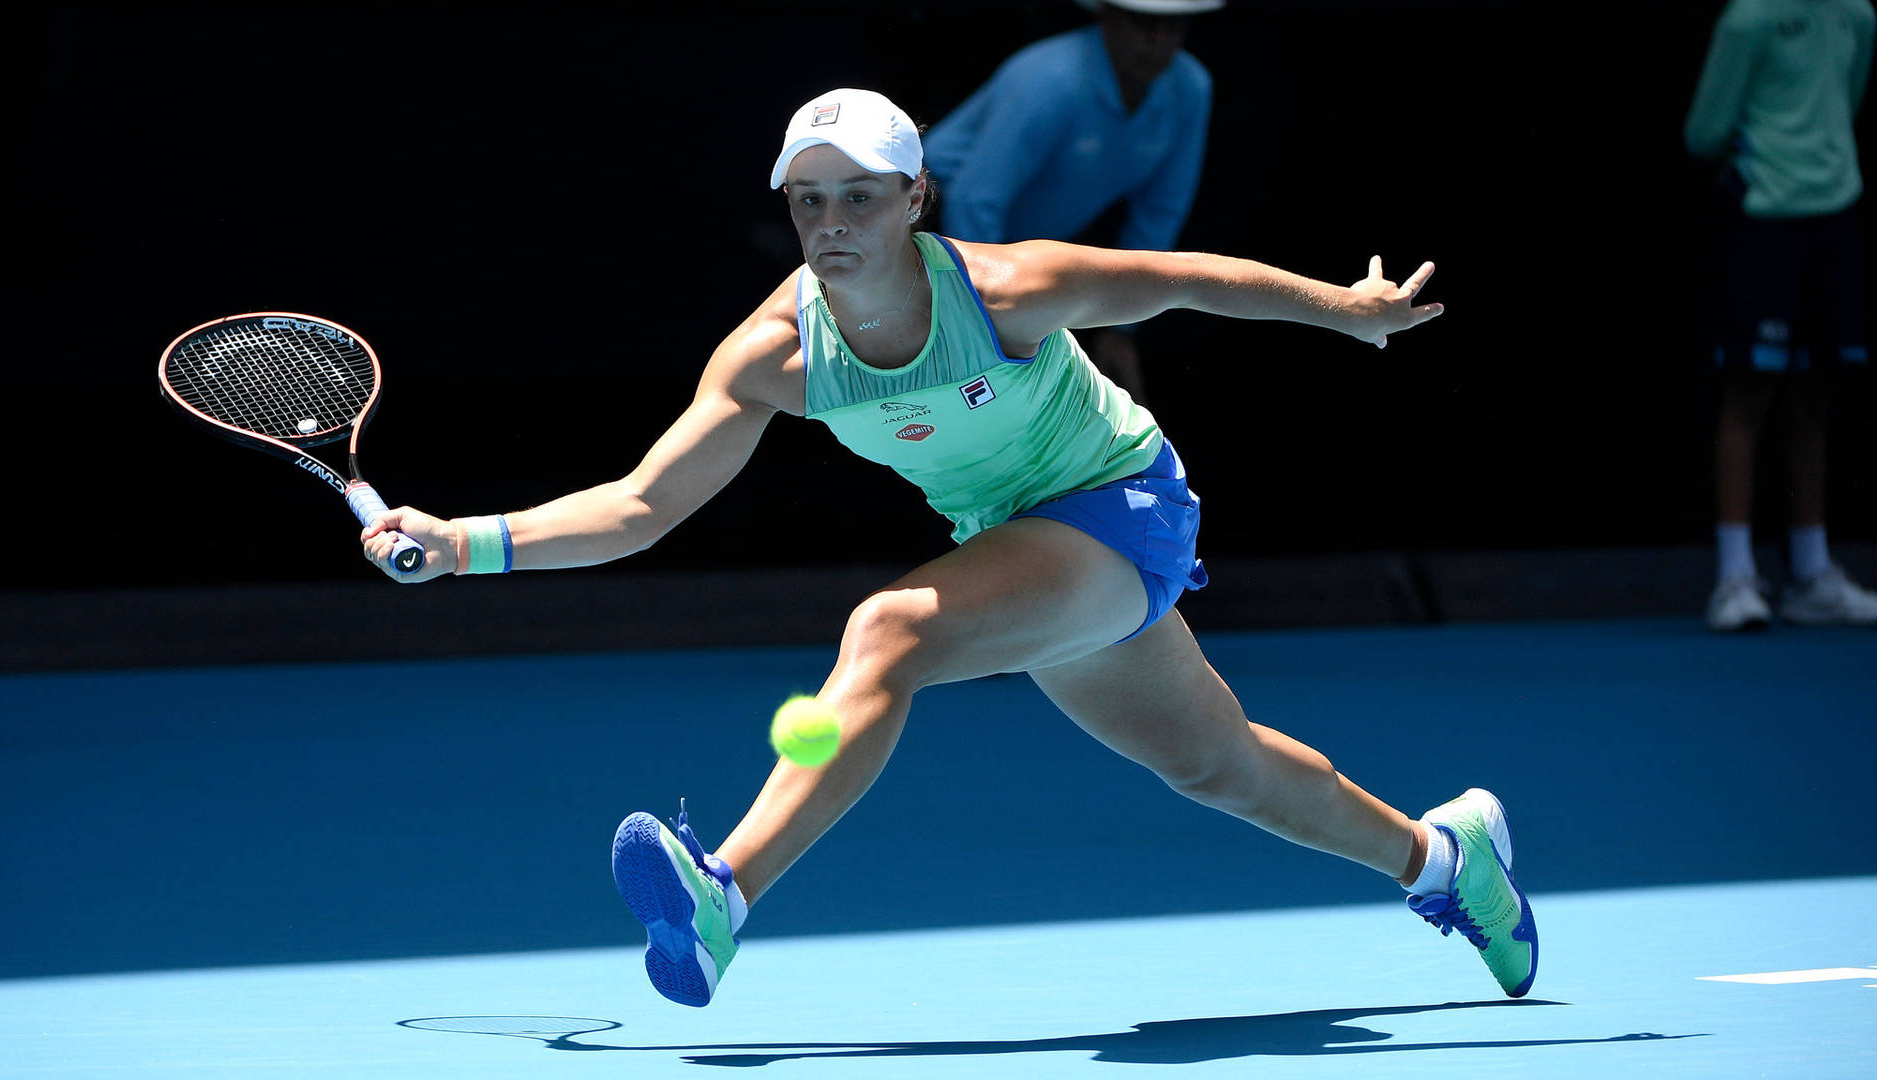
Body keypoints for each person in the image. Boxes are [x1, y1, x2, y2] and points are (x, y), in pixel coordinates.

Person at [361, 88, 1536, 1007]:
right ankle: (1447, 860)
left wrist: (1349, 309)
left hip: (1122, 502)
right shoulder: (774, 355)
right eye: (808, 201)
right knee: (1217, 765)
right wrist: (467, 545)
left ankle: (725, 892)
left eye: (859, 197)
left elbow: (1183, 285)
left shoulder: (1010, 288)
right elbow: (642, 505)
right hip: (1015, 544)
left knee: (887, 630)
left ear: (916, 199)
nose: (832, 224)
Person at [1685, 0, 1877, 631]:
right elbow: (1705, 131)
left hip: (1836, 216)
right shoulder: (1749, 19)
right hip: (1764, 219)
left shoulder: (1858, 13)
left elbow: (1844, 107)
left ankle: (1812, 571)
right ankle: (1735, 579)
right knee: (1750, 392)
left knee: (1816, 397)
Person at [922, 0, 1223, 403]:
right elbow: (976, 200)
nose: (1159, 40)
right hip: (935, 231)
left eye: (1173, 26)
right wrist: (985, 325)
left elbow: (1159, 213)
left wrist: (1122, 327)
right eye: (1143, 23)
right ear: (1107, 15)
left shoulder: (1191, 88)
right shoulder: (1049, 80)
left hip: (1017, 255)